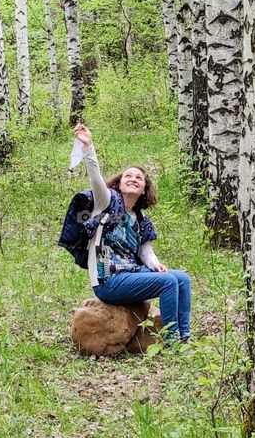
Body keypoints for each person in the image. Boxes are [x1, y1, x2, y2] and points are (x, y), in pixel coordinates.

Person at [73, 123, 191, 343]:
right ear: (118, 183)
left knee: (181, 279)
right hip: (109, 281)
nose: (133, 179)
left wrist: (156, 265)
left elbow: (146, 251)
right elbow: (95, 177)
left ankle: (185, 336)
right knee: (168, 283)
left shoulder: (141, 220)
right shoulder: (106, 202)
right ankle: (172, 340)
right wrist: (88, 147)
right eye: (128, 176)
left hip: (133, 273)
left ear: (144, 189)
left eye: (139, 178)